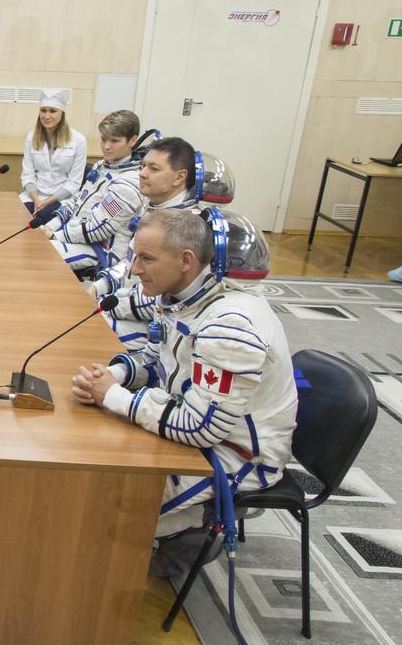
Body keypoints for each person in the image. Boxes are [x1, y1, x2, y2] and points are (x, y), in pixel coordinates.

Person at [71, 209, 296, 547]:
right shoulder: (185, 295)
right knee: (82, 457)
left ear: (187, 260)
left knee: (98, 502)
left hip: (233, 455)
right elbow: (154, 362)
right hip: (193, 425)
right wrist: (113, 375)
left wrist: (115, 398)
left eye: (146, 258)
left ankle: (177, 538)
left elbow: (202, 428)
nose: (134, 270)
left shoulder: (231, 326)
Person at [91, 139, 235, 350]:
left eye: (154, 168)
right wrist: (97, 288)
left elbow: (160, 300)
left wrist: (105, 306)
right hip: (126, 306)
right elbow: (129, 263)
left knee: (77, 331)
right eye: (143, 166)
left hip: (158, 326)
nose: (142, 173)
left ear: (180, 177)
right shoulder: (154, 209)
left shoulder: (190, 227)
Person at [40, 110, 145, 273]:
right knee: (32, 243)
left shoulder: (130, 182)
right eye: (103, 139)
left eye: (115, 141)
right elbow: (77, 201)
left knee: (39, 255)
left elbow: (98, 229)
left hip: (102, 250)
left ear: (132, 140)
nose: (106, 146)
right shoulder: (101, 166)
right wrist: (49, 226)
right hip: (77, 235)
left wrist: (56, 236)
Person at [21, 88, 87, 223]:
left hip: (62, 198)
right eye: (43, 110)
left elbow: (74, 181)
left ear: (61, 113)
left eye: (52, 111)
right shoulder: (31, 137)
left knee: (44, 217)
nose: (47, 116)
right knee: (21, 216)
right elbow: (27, 174)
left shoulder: (78, 140)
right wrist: (36, 199)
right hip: (34, 196)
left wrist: (48, 201)